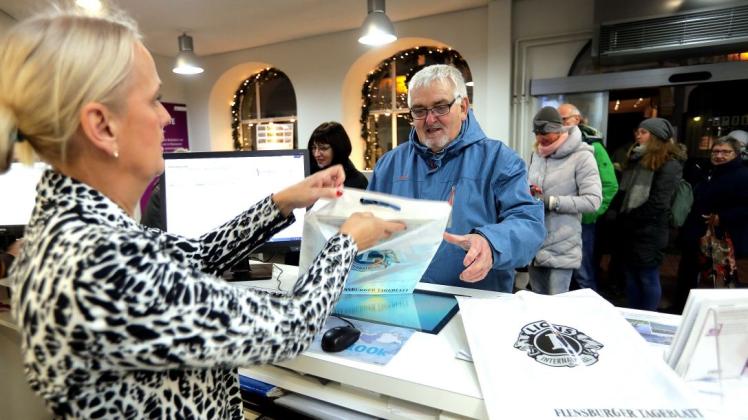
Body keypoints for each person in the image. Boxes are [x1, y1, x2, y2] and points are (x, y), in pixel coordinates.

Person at [0, 8, 404, 419]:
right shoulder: (97, 261)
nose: (165, 116)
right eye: (153, 99)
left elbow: (199, 254)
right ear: (102, 126)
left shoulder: (79, 231)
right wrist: (347, 243)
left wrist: (281, 203)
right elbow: (292, 325)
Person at [368, 64, 545, 293]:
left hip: (474, 305)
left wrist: (492, 243)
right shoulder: (388, 165)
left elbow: (529, 224)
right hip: (400, 298)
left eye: (440, 107)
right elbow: (367, 226)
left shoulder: (500, 160)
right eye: (419, 110)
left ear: (463, 107)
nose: (430, 120)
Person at [612, 118, 686, 310]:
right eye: (638, 131)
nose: (638, 135)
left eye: (644, 132)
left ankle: (649, 317)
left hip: (650, 230)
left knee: (647, 277)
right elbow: (623, 191)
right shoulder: (636, 158)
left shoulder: (669, 164)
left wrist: (630, 219)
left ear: (655, 137)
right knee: (631, 275)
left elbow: (659, 202)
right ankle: (635, 315)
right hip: (631, 229)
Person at [527, 107, 602, 295]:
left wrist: (552, 201)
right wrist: (529, 191)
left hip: (562, 245)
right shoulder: (537, 154)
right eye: (536, 133)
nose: (539, 138)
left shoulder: (582, 156)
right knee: (537, 306)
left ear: (559, 129)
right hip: (535, 243)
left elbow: (593, 201)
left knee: (557, 310)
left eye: (544, 133)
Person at [674, 137, 748, 311]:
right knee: (687, 273)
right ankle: (681, 310)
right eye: (716, 151)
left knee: (721, 278)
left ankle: (724, 314)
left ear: (736, 154)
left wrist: (723, 217)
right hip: (695, 232)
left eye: (725, 152)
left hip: (723, 236)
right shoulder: (707, 171)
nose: (719, 155)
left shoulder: (743, 175)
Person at [558, 103, 618, 291]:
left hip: (582, 221)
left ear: (577, 119)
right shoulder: (555, 145)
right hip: (560, 218)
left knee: (583, 271)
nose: (560, 123)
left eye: (564, 119)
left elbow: (610, 185)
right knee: (563, 270)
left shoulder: (593, 147)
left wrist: (592, 212)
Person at [308, 121, 368, 189]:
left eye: (323, 148)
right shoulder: (309, 175)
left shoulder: (357, 181)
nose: (316, 154)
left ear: (338, 148)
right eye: (314, 148)